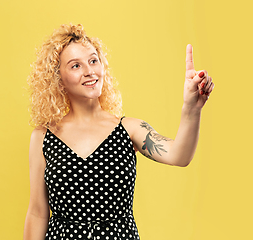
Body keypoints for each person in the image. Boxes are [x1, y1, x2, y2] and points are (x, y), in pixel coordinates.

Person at [23, 23, 214, 240]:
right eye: (75, 66)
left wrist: (192, 107)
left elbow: (179, 155)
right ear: (58, 78)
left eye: (93, 60)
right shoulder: (43, 137)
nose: (89, 71)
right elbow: (38, 214)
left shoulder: (129, 129)